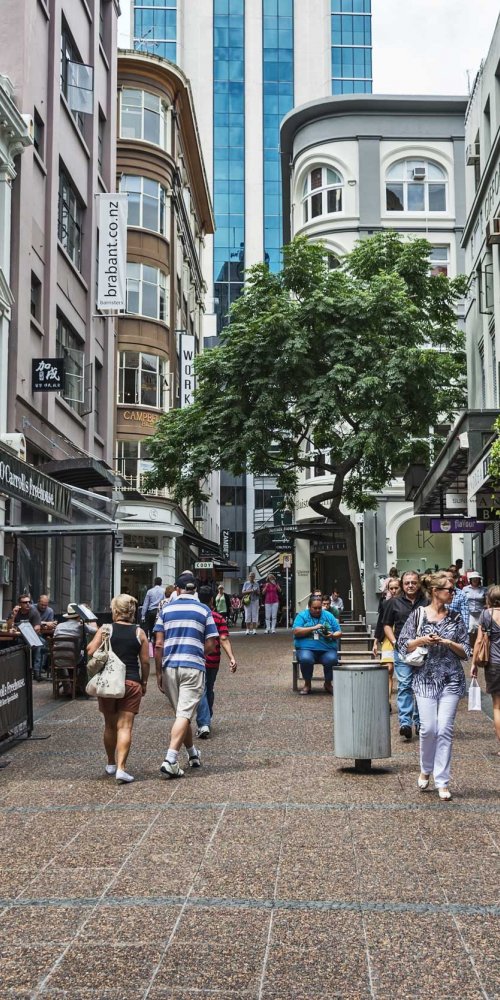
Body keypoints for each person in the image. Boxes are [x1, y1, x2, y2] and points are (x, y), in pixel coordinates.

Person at [398, 571, 470, 801]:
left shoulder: (456, 617)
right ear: (436, 592)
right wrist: (422, 640)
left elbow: (465, 651)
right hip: (424, 678)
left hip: (451, 678)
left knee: (445, 729)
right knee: (428, 729)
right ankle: (425, 768)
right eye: (449, 589)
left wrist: (449, 642)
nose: (453, 593)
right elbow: (403, 645)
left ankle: (443, 781)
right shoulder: (418, 614)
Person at [154, 573, 218, 779]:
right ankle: (170, 759)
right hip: (192, 666)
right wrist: (198, 653)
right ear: (195, 590)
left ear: (178, 590)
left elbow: (158, 644)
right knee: (184, 715)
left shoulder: (165, 610)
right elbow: (211, 643)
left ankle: (192, 754)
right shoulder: (204, 609)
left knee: (182, 714)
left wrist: (158, 673)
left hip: (170, 666)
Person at [87, 595, 149, 784]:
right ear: (132, 611)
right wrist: (144, 682)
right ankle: (122, 768)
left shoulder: (106, 629)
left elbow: (90, 650)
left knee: (109, 725)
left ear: (115, 610)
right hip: (131, 682)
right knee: (125, 726)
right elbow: (145, 661)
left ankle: (111, 763)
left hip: (109, 683)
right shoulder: (140, 633)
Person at [383, 571, 428, 740]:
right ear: (402, 585)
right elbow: (387, 625)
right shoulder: (393, 603)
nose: (410, 585)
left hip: (423, 650)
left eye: (414, 582)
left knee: (420, 686)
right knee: (405, 685)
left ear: (419, 584)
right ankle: (405, 723)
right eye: (407, 583)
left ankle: (420, 721)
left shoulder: (427, 602)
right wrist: (395, 642)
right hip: (402, 650)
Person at [196, 586, 237, 738]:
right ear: (212, 599)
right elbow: (224, 638)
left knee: (201, 690)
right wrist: (231, 657)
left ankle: (204, 723)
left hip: (198, 658)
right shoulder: (218, 618)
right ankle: (207, 719)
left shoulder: (196, 616)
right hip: (214, 659)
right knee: (209, 688)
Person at [471, 584, 500, 755]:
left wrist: (474, 663)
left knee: (497, 706)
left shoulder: (486, 615)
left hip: (494, 665)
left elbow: (479, 641)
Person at [293, 594, 341, 695]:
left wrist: (332, 635)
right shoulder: (302, 616)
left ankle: (328, 683)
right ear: (309, 607)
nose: (318, 610)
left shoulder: (328, 615)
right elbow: (296, 631)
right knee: (306, 659)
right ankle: (307, 684)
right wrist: (313, 628)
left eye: (319, 608)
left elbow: (339, 632)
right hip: (306, 649)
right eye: (315, 608)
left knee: (332, 659)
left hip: (327, 649)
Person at [372, 578, 401, 706]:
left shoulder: (407, 603)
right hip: (387, 639)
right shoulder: (385, 603)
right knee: (388, 669)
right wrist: (375, 641)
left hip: (402, 637)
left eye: (396, 588)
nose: (394, 591)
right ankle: (387, 701)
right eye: (391, 588)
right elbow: (380, 623)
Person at [462, 572, 487, 646]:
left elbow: (487, 600)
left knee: (481, 629)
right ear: (470, 580)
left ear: (479, 580)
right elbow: (463, 600)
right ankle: (471, 646)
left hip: (481, 612)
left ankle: (480, 646)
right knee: (471, 629)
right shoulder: (465, 589)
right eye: (473, 579)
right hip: (470, 612)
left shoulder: (484, 589)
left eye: (477, 579)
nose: (475, 580)